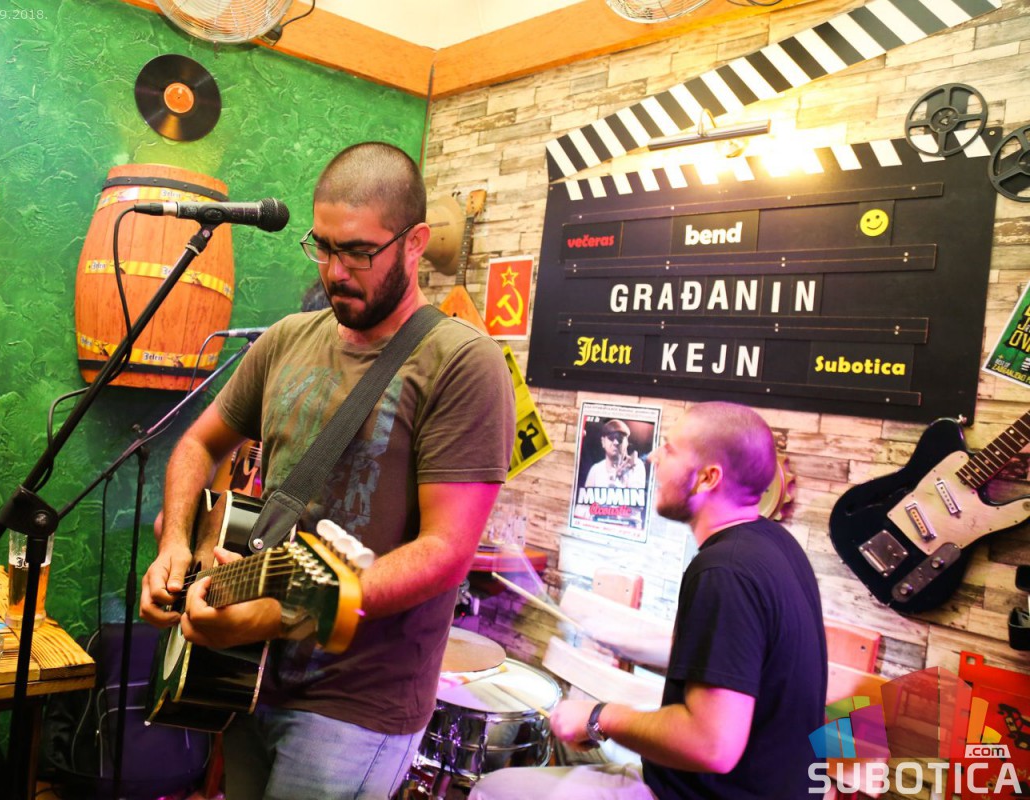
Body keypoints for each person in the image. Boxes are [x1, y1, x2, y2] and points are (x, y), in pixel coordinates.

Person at [139, 141, 516, 800]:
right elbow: (199, 444)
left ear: (415, 242)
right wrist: (176, 544)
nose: (337, 271)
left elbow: (446, 552)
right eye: (324, 247)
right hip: (248, 677)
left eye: (359, 252)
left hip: (355, 706)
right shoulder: (286, 338)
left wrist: (276, 614)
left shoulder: (462, 363)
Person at [473, 401, 827, 800]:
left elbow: (711, 745)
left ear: (708, 478)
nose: (652, 456)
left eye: (670, 449)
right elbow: (733, 661)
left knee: (493, 789)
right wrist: (626, 642)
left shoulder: (723, 572)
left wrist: (598, 717)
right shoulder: (774, 545)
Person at [585, 419, 646, 489]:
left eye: (620, 438)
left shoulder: (636, 466)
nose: (616, 443)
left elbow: (637, 494)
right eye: (611, 438)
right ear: (603, 442)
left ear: (627, 443)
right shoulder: (595, 470)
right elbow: (586, 495)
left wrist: (620, 481)